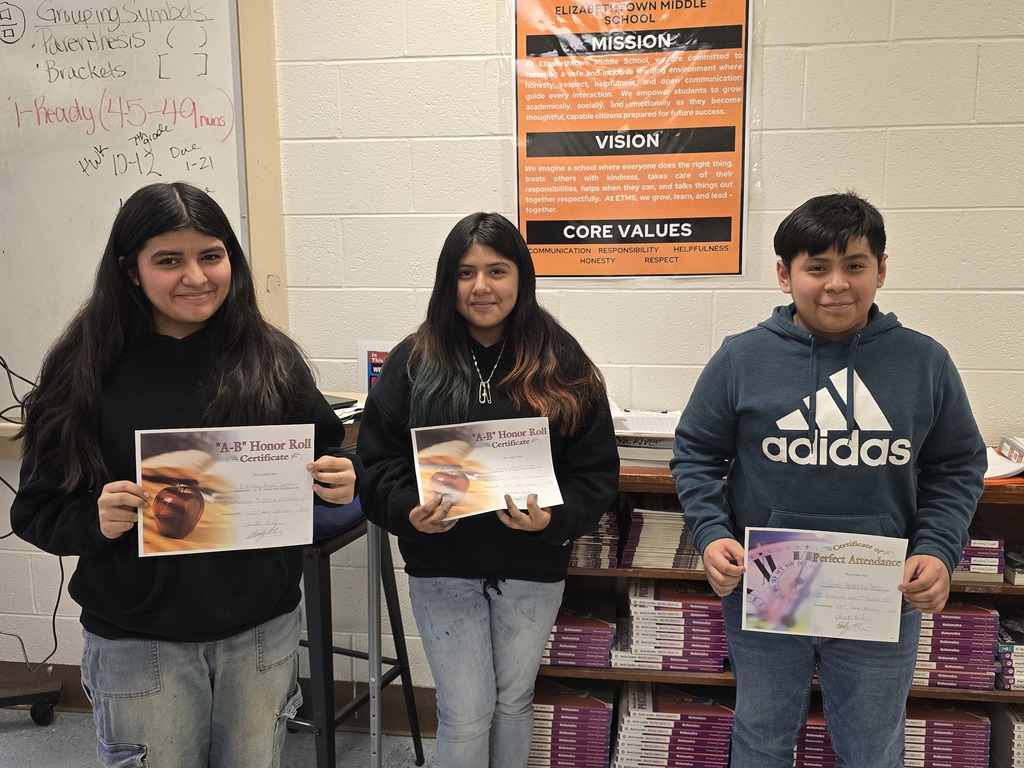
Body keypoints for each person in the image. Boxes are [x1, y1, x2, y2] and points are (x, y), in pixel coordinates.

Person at [10, 182, 360, 767]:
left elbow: (326, 458)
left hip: (261, 631)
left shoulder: (270, 359)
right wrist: (95, 520)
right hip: (141, 642)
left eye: (212, 256)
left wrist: (344, 475)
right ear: (130, 271)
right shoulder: (83, 372)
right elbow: (36, 512)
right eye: (169, 260)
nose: (196, 277)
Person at [670, 191, 987, 768]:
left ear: (882, 270)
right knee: (762, 740)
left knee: (871, 749)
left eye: (855, 265)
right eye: (817, 267)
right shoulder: (741, 359)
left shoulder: (925, 362)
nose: (836, 283)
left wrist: (939, 551)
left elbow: (957, 466)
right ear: (785, 276)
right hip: (769, 585)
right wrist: (712, 532)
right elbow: (694, 452)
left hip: (881, 590)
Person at [357, 212, 619, 768]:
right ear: (446, 281)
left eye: (496, 270)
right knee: (465, 709)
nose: (481, 287)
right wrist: (409, 511)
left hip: (532, 568)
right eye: (465, 272)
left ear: (520, 277)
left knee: (513, 701)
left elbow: (595, 473)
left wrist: (555, 519)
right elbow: (376, 466)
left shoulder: (561, 359)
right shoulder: (415, 361)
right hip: (442, 567)